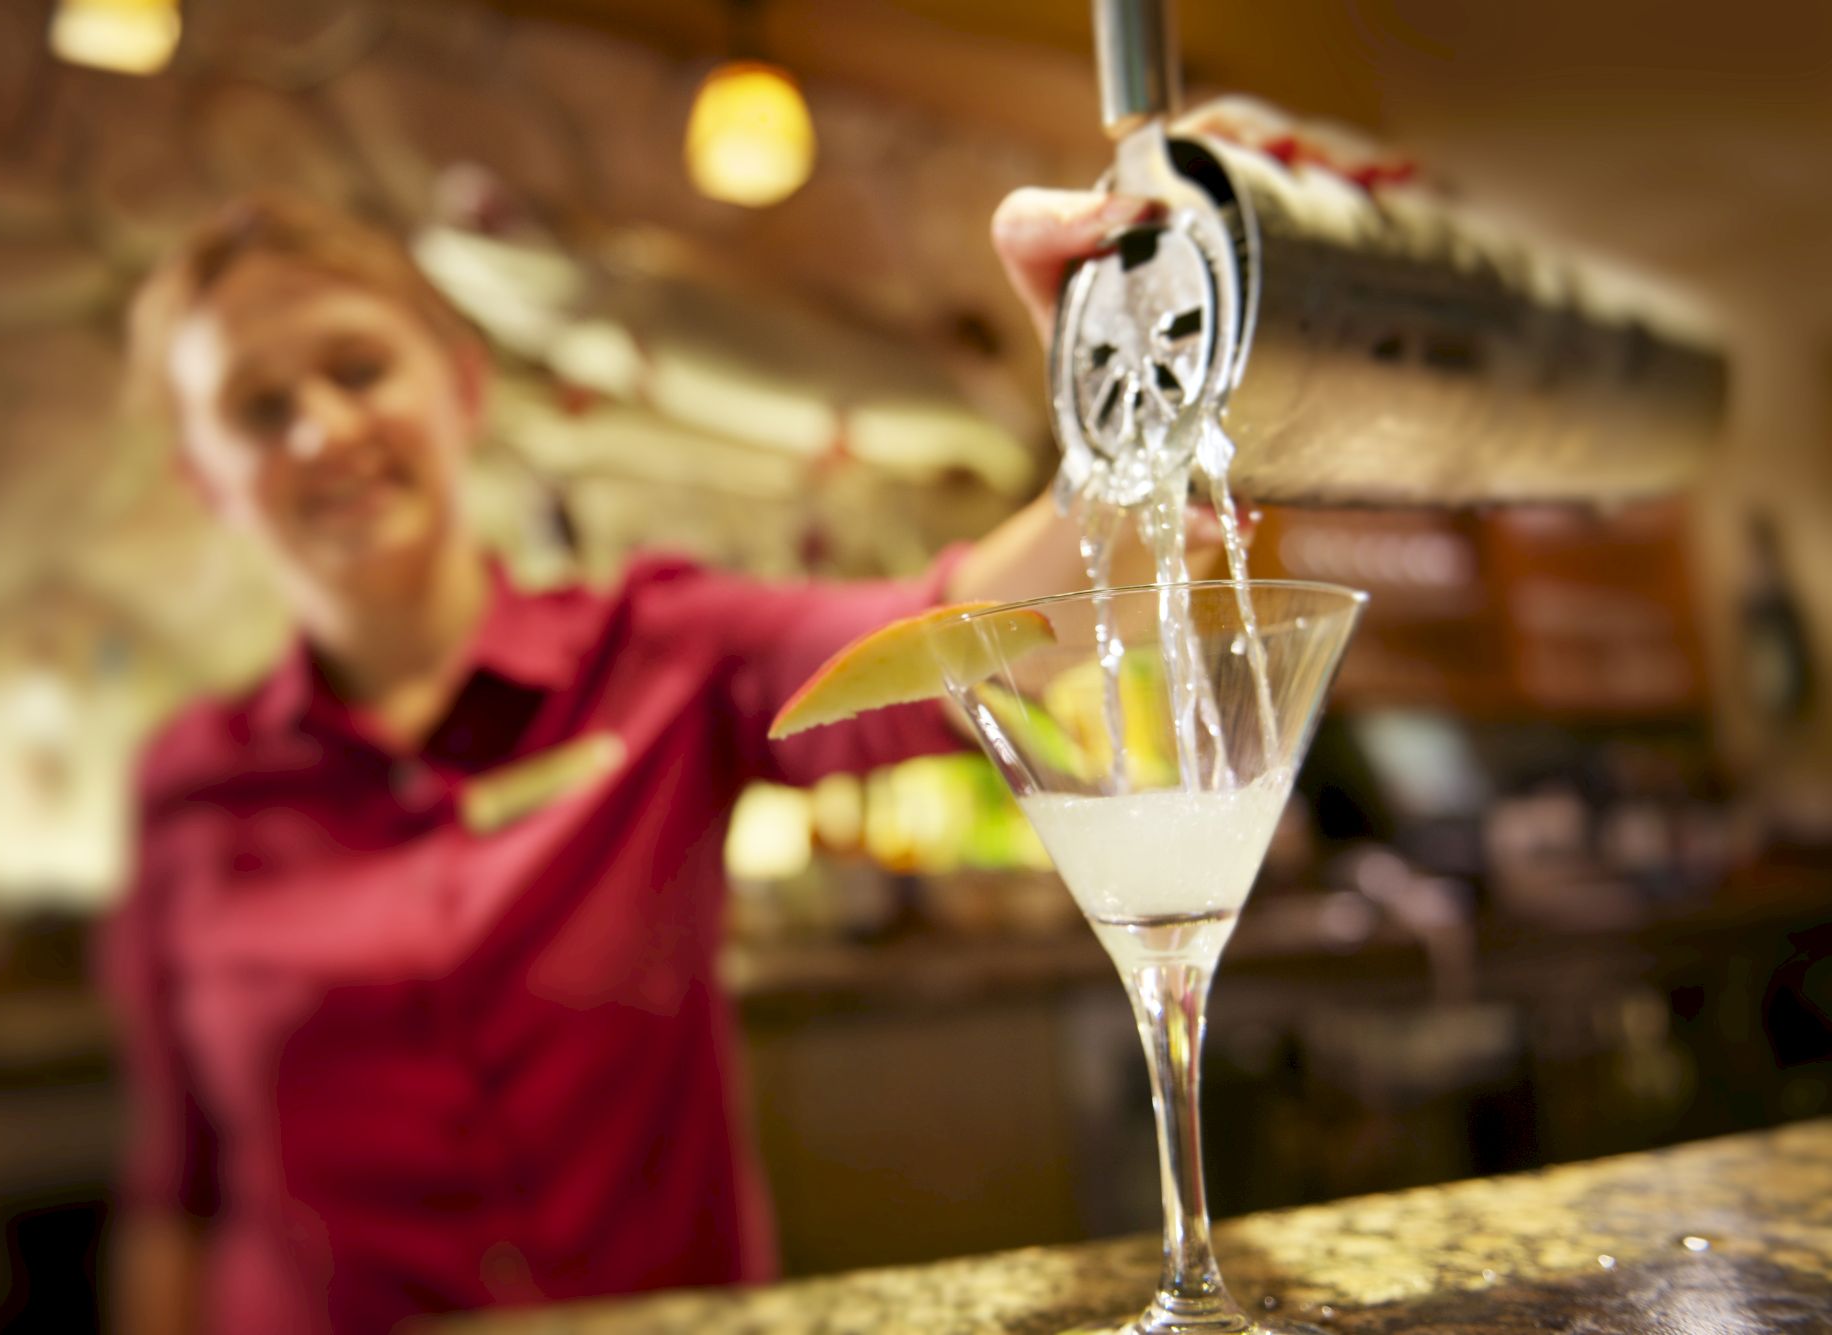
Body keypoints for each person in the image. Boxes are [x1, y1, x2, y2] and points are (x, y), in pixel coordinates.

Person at [103, 183, 1220, 1335]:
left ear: (462, 385)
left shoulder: (658, 651)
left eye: (356, 370)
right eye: (256, 408)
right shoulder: (189, 787)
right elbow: (173, 1196)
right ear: (204, 478)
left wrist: (1108, 426)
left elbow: (955, 635)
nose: (323, 429)